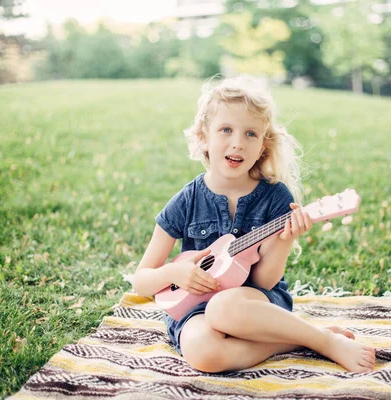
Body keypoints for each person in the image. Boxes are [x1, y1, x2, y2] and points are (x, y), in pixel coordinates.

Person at [130, 76, 375, 373]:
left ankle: (325, 342)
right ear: (203, 136)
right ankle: (300, 341)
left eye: (250, 134)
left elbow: (263, 282)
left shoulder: (274, 196)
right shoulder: (186, 201)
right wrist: (175, 272)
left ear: (262, 145)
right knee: (202, 352)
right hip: (193, 309)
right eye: (226, 130)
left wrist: (284, 240)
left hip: (256, 302)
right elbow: (141, 280)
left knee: (223, 307)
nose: (237, 143)